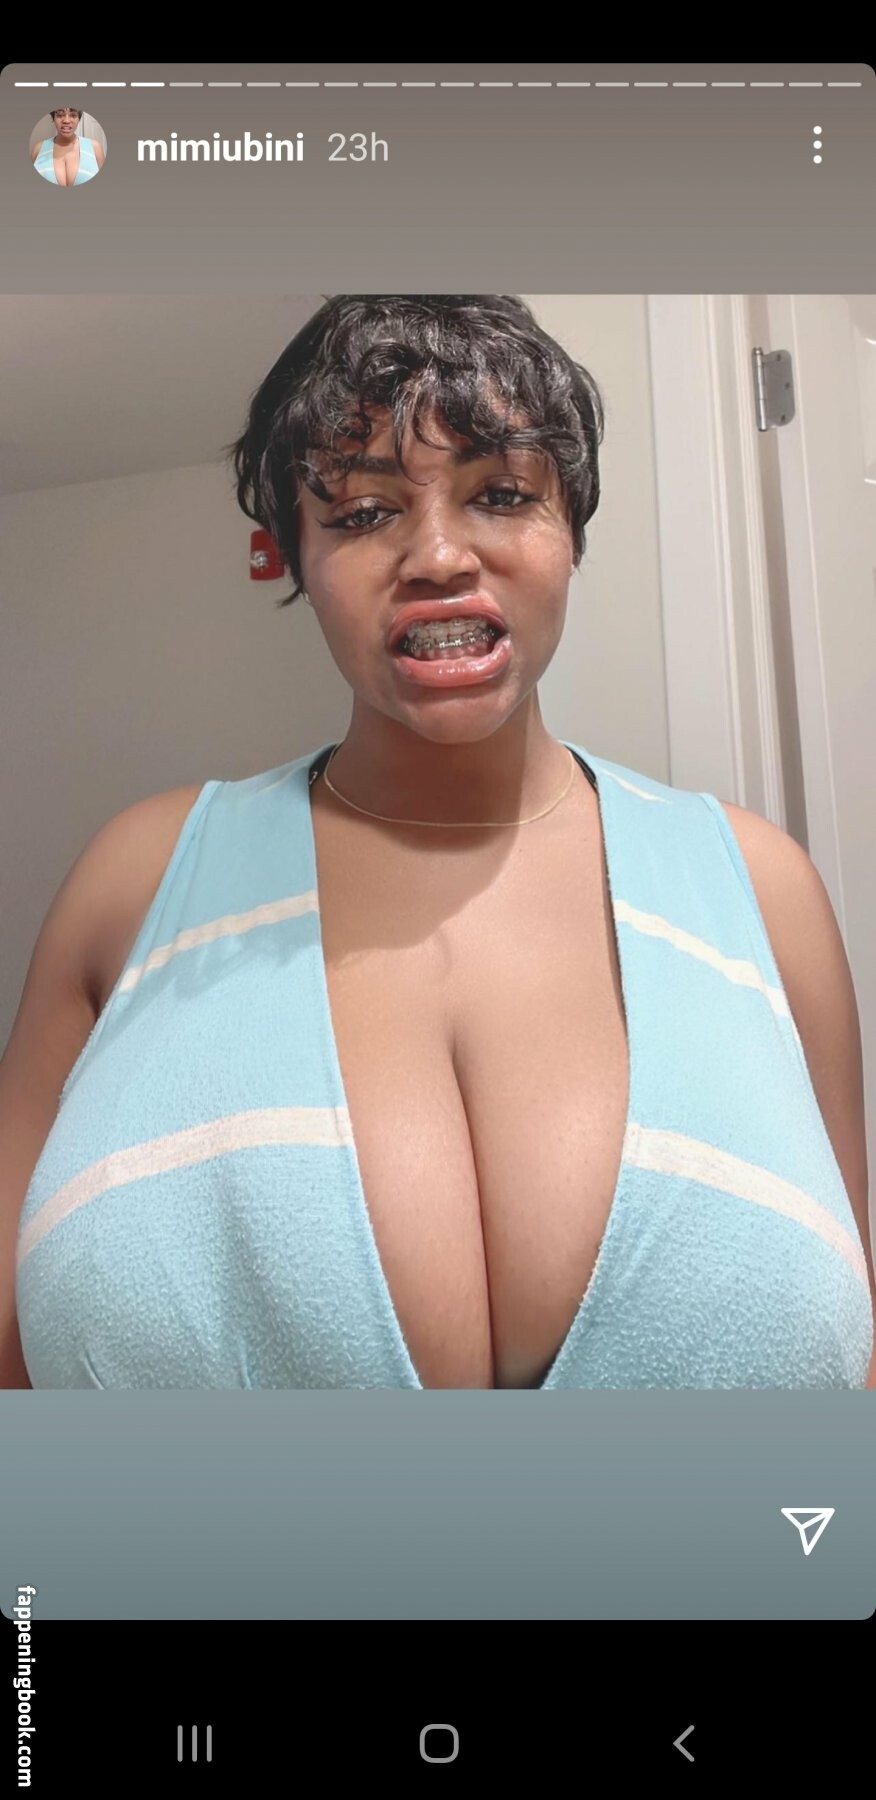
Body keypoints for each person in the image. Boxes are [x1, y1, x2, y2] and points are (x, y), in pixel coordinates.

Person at [2, 295, 874, 1391]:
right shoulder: (130, 884)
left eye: (502, 495)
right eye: (363, 512)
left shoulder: (763, 892)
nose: (438, 556)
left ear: (573, 529)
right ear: (291, 557)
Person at [31, 108, 105, 187]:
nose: (66, 121)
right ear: (53, 118)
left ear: (79, 119)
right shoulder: (38, 149)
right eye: (60, 115)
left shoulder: (95, 148)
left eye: (73, 115)